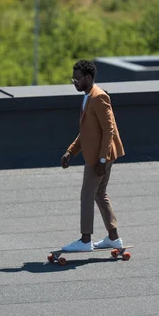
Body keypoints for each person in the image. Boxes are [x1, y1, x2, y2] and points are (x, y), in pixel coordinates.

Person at [61, 59, 125, 252]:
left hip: (99, 156)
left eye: (78, 78)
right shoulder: (88, 96)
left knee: (87, 194)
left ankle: (85, 240)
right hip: (99, 154)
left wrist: (102, 159)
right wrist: (71, 151)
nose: (75, 82)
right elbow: (88, 132)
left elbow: (109, 130)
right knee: (99, 194)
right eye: (73, 78)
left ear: (88, 77)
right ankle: (113, 238)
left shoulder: (99, 97)